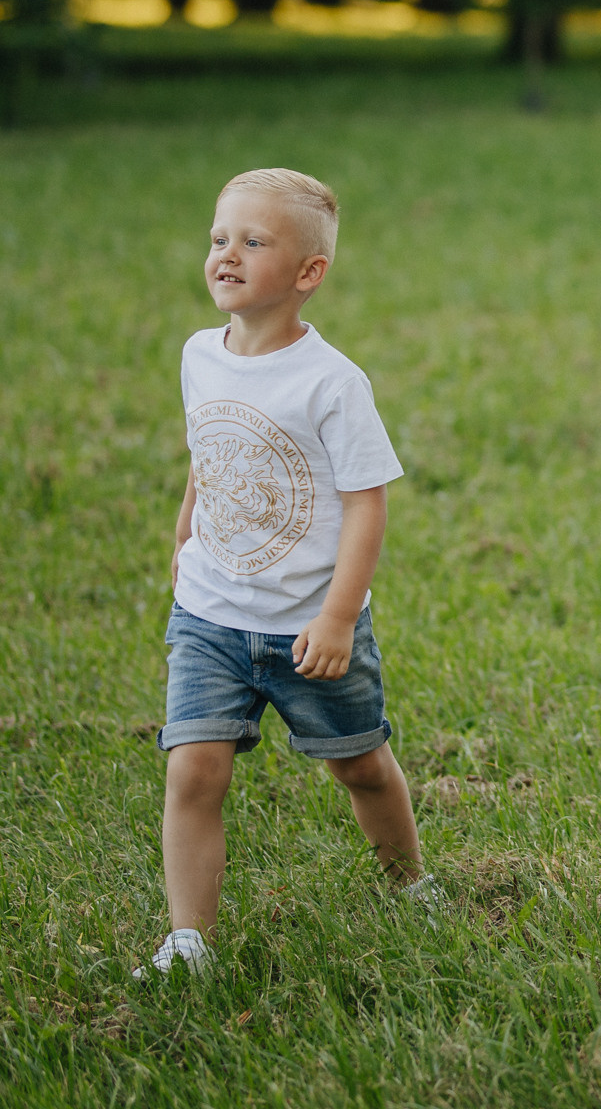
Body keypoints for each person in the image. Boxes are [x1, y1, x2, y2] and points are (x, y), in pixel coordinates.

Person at [145, 168, 431, 978]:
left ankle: (409, 884)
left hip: (306, 626)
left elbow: (367, 505)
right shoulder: (200, 355)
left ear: (309, 273)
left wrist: (338, 617)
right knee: (193, 768)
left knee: (359, 763)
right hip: (208, 614)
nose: (225, 254)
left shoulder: (332, 383)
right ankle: (188, 941)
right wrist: (184, 529)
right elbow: (209, 452)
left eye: (253, 241)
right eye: (217, 238)